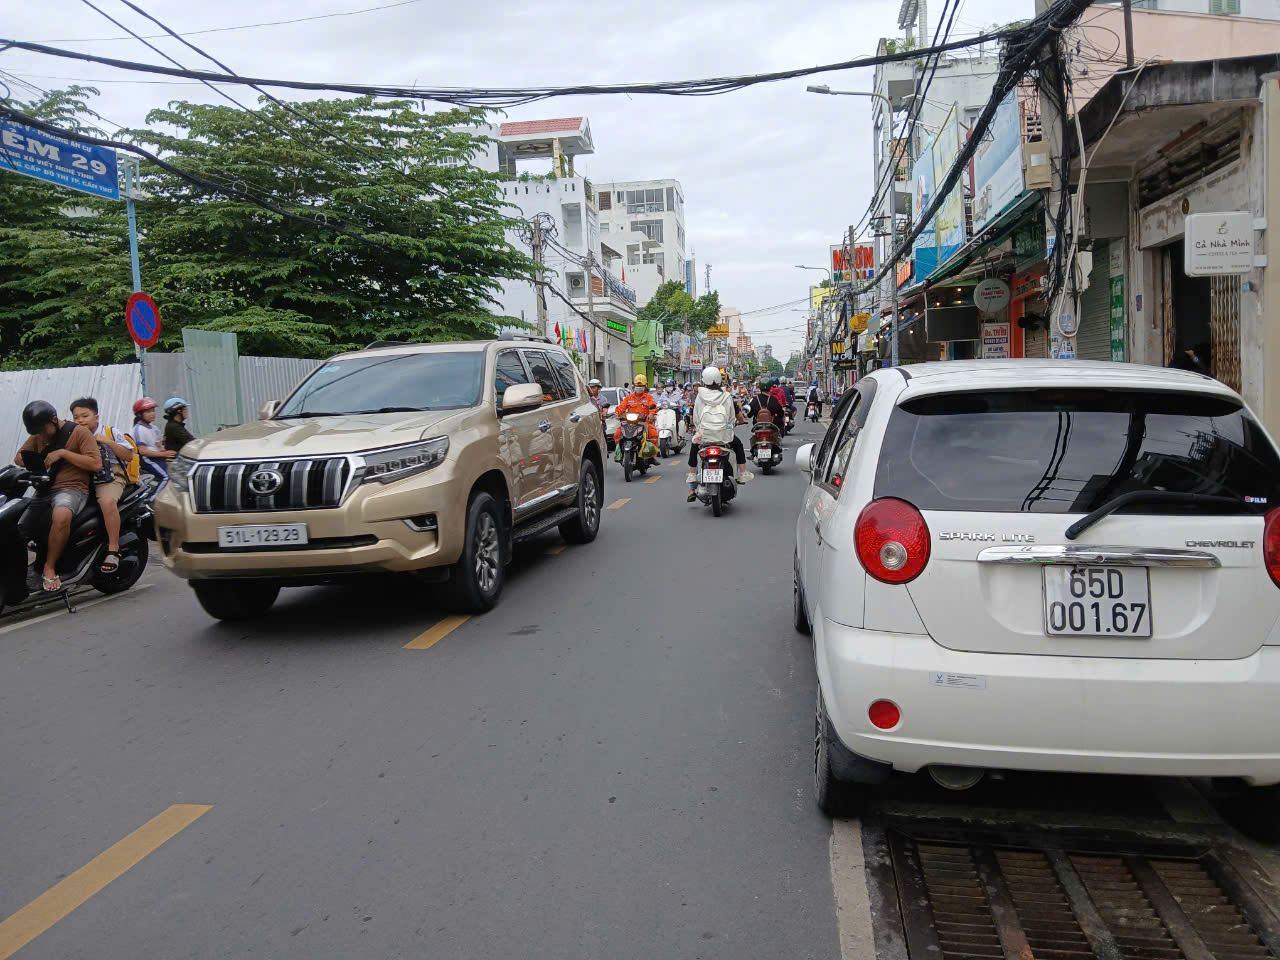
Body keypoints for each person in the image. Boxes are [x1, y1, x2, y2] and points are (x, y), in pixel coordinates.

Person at [14, 400, 101, 593]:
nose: (42, 435)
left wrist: (63, 453)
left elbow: (96, 463)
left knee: (61, 515)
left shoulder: (80, 433)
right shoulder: (39, 434)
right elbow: (19, 457)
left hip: (73, 488)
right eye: (37, 432)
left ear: (54, 420)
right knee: (19, 525)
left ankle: (50, 566)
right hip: (45, 489)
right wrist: (31, 459)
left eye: (44, 430)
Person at [70, 397, 135, 574]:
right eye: (76, 417)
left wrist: (107, 441)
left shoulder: (110, 431)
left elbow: (128, 456)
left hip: (111, 475)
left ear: (96, 417)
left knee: (107, 502)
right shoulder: (73, 435)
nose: (80, 420)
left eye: (85, 416)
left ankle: (113, 550)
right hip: (85, 476)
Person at [686, 366, 751, 500]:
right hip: (724, 437)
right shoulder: (726, 396)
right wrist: (729, 425)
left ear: (704, 380)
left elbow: (697, 417)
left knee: (694, 447)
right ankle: (743, 473)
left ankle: (692, 476)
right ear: (719, 380)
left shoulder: (699, 395)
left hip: (704, 437)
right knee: (738, 445)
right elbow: (732, 417)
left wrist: (699, 429)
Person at [612, 374, 659, 455]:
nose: (639, 387)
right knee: (617, 434)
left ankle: (652, 455)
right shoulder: (628, 397)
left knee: (653, 434)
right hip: (629, 422)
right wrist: (617, 413)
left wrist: (651, 414)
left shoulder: (649, 397)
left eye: (641, 385)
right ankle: (619, 453)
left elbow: (653, 407)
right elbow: (621, 407)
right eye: (637, 385)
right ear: (634, 386)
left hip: (644, 422)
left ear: (645, 386)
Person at [132, 397, 175, 482]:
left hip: (157, 458)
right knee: (167, 477)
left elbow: (158, 444)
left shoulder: (154, 428)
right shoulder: (139, 429)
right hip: (147, 460)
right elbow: (143, 451)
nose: (152, 414)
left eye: (153, 411)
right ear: (140, 414)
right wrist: (164, 455)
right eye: (148, 411)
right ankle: (154, 496)